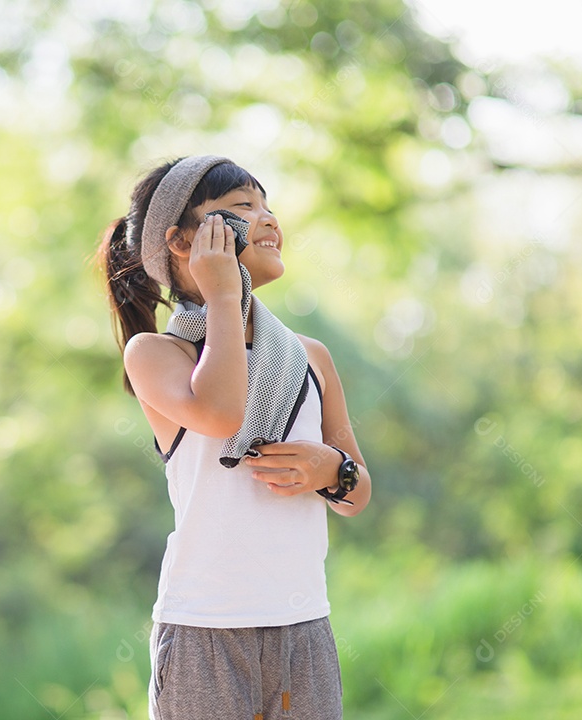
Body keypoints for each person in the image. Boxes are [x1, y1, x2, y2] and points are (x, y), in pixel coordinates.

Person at [98, 155, 371, 720]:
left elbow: (358, 491)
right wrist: (224, 298)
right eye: (242, 207)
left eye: (268, 204)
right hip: (206, 629)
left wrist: (329, 470)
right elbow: (221, 413)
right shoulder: (157, 354)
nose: (268, 218)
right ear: (181, 241)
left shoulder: (310, 357)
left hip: (304, 626)